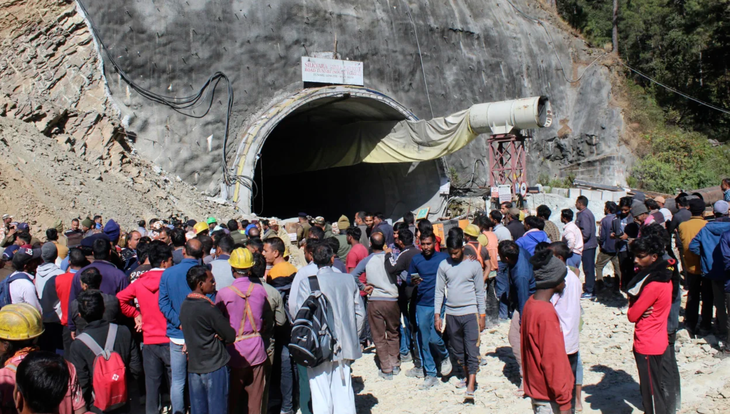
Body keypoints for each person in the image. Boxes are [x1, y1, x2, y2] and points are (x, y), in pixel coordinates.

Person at [293, 242, 365, 414]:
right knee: (344, 389)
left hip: (318, 344)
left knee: (320, 391)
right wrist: (354, 338)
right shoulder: (348, 280)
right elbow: (360, 314)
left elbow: (300, 314)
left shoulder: (307, 283)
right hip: (345, 342)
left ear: (312, 259)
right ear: (333, 259)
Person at [116, 242, 173, 414]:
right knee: (176, 384)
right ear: (164, 261)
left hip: (149, 340)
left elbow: (120, 299)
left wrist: (135, 314)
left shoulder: (140, 282)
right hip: (171, 339)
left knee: (152, 385)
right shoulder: (172, 279)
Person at [215, 248, 269, 414]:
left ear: (232, 269)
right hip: (257, 349)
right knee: (255, 402)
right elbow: (266, 319)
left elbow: (218, 323)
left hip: (234, 351)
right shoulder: (260, 290)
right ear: (250, 268)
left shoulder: (224, 294)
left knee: (232, 400)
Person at [68, 290, 142, 412]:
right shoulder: (124, 332)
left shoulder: (78, 345)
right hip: (123, 400)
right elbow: (136, 369)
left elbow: (82, 383)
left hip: (97, 405)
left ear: (80, 315)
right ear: (103, 310)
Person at [434, 229, 485, 402]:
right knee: (458, 350)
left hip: (470, 313)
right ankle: (467, 375)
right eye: (450, 252)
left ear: (462, 248)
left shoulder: (474, 265)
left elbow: (480, 291)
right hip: (452, 314)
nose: (453, 256)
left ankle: (471, 385)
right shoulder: (443, 266)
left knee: (472, 349)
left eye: (456, 252)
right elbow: (439, 291)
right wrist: (437, 315)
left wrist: (482, 314)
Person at [521, 249, 573, 414]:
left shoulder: (531, 304)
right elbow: (552, 361)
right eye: (563, 278)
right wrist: (564, 403)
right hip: (550, 398)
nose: (564, 282)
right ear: (554, 280)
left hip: (538, 391)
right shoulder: (546, 315)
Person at [626, 235, 673, 414]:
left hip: (647, 343)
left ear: (654, 257)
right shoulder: (665, 278)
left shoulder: (652, 284)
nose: (636, 260)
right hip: (658, 338)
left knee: (650, 394)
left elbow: (632, 315)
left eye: (641, 255)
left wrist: (634, 305)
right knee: (656, 386)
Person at [158, 239, 206, 414]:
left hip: (176, 336)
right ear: (202, 254)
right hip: (200, 336)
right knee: (198, 378)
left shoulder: (168, 273)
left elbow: (163, 304)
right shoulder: (205, 274)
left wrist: (179, 323)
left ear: (184, 252)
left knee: (177, 381)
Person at [180, 266, 236, 414]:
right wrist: (220, 335)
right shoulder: (208, 309)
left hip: (194, 367)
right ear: (200, 284)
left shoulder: (185, 305)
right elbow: (230, 335)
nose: (214, 284)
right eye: (211, 281)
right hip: (214, 366)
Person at [350, 233, 400, 379]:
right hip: (392, 300)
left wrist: (363, 287)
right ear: (384, 243)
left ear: (370, 244)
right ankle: (395, 363)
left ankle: (386, 368)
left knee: (378, 335)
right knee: (393, 332)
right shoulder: (390, 258)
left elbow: (353, 275)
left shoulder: (367, 260)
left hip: (375, 300)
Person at [406, 232, 451, 388]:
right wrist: (413, 281)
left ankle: (445, 356)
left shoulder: (443, 258)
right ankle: (430, 374)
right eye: (423, 244)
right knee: (424, 340)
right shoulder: (416, 259)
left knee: (434, 337)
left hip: (439, 304)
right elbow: (409, 279)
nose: (425, 247)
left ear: (434, 243)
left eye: (428, 244)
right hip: (422, 304)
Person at [545, 242, 584, 411]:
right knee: (570, 380)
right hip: (572, 338)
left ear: (559, 258)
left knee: (558, 385)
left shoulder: (557, 280)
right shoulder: (573, 277)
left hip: (559, 339)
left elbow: (548, 307)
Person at [498, 240, 536, 395]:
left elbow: (523, 300)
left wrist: (523, 322)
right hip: (529, 298)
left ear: (507, 258)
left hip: (528, 304)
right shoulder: (519, 250)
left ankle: (526, 379)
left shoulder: (521, 274)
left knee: (515, 338)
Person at [688, 214, 730, 341]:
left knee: (717, 302)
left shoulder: (706, 228)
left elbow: (692, 246)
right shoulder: (728, 231)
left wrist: (705, 256)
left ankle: (719, 328)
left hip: (712, 270)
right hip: (727, 272)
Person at [678, 198, 712, 337]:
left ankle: (690, 324)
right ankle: (705, 325)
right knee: (708, 297)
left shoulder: (682, 226)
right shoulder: (707, 225)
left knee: (693, 296)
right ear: (704, 211)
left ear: (689, 210)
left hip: (690, 267)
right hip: (706, 267)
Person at [68, 238, 128, 307]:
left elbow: (72, 305)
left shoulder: (79, 274)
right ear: (110, 252)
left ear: (93, 253)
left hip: (85, 316)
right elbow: (127, 305)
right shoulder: (119, 276)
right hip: (112, 316)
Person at [68, 267, 121, 336]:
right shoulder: (113, 300)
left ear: (85, 286)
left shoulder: (75, 304)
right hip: (110, 338)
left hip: (84, 340)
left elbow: (73, 323)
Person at [55, 248, 90, 353]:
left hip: (66, 323)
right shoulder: (87, 280)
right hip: (84, 322)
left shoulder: (59, 279)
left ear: (69, 262)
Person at [345, 227, 371, 348]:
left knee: (359, 316)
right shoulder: (364, 249)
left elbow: (351, 274)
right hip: (365, 285)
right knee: (365, 314)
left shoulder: (352, 253)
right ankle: (367, 339)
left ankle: (361, 340)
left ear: (350, 236)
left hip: (358, 288)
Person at [35, 243, 64, 352]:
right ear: (56, 256)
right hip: (56, 320)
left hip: (40, 320)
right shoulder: (60, 274)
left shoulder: (35, 273)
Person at [575, 196, 598, 299]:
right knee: (588, 268)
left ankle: (590, 290)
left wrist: (578, 240)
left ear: (580, 203)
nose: (575, 205)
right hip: (589, 245)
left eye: (576, 203)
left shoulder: (584, 215)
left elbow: (586, 233)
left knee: (588, 269)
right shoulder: (586, 213)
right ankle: (591, 289)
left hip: (587, 246)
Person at [596, 201, 620, 291]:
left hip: (606, 248)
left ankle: (600, 285)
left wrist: (601, 244)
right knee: (617, 268)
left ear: (608, 209)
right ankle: (617, 287)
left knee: (598, 266)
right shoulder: (617, 219)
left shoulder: (605, 220)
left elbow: (602, 236)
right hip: (616, 248)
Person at [612, 197, 635, 291]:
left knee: (630, 269)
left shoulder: (633, 219)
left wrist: (628, 237)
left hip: (630, 248)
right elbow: (614, 229)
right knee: (621, 268)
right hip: (620, 247)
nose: (624, 212)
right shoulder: (617, 218)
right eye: (622, 209)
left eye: (626, 210)